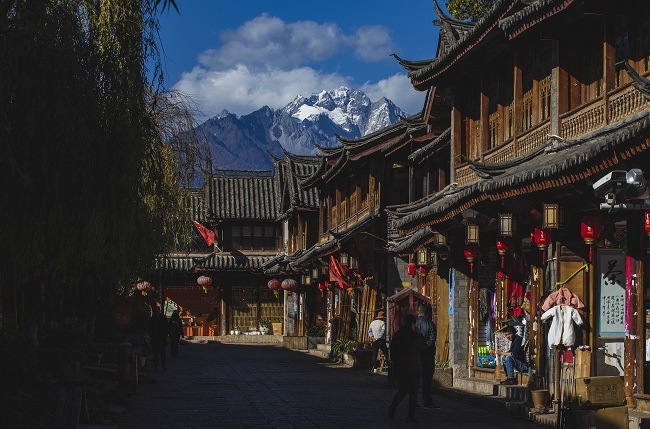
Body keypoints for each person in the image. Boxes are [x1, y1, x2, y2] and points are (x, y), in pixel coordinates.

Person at [388, 313, 425, 423]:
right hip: (413, 368)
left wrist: (396, 363)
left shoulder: (397, 335)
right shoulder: (415, 336)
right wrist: (419, 334)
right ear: (413, 324)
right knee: (413, 393)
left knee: (402, 391)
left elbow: (393, 352)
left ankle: (393, 407)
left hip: (400, 367)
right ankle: (411, 416)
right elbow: (424, 346)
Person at [416, 304, 439, 409]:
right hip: (428, 354)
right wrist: (425, 347)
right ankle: (427, 401)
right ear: (426, 312)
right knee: (427, 379)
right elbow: (432, 339)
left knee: (414, 379)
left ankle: (414, 401)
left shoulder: (414, 323)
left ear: (418, 311)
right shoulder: (431, 324)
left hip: (415, 355)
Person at [148, 306, 170, 370]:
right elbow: (149, 328)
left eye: (157, 310)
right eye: (155, 310)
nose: (156, 312)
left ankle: (163, 364)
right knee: (155, 353)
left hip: (162, 338)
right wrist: (151, 335)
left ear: (159, 311)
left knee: (162, 352)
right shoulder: (151, 319)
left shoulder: (163, 318)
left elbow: (166, 328)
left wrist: (166, 336)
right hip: (154, 338)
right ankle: (156, 365)